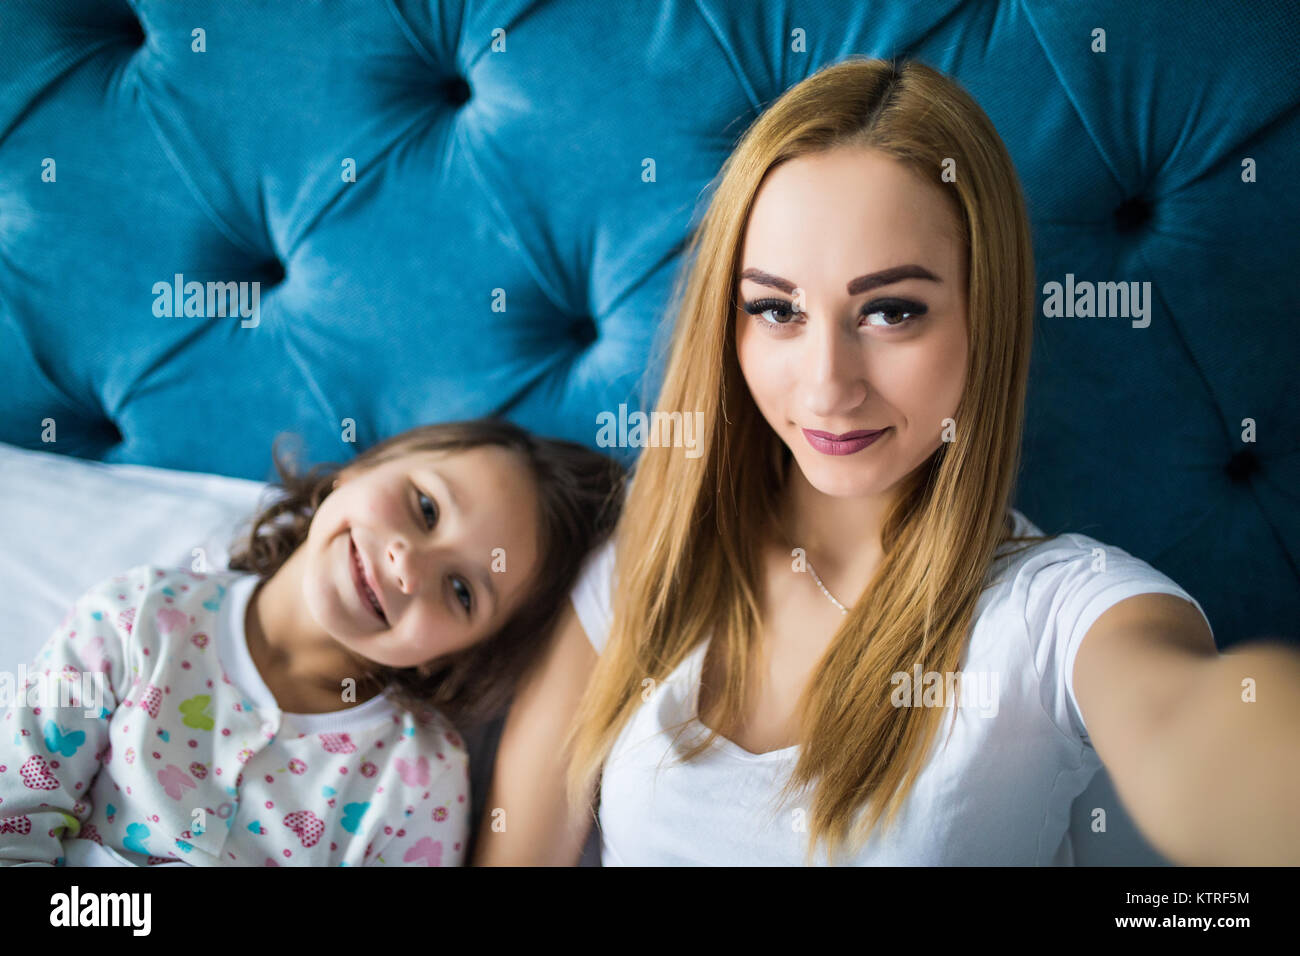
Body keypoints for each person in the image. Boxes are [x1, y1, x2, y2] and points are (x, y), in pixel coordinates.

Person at [474, 57, 1299, 866]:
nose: (828, 386)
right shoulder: (640, 564)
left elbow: (1193, 724)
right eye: (776, 309)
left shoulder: (1055, 613)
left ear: (987, 318)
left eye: (891, 311)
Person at [0, 419, 622, 866]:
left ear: (457, 655)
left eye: (460, 590)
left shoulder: (419, 781)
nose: (409, 566)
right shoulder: (138, 617)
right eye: (426, 508)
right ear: (361, 468)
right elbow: (13, 814)